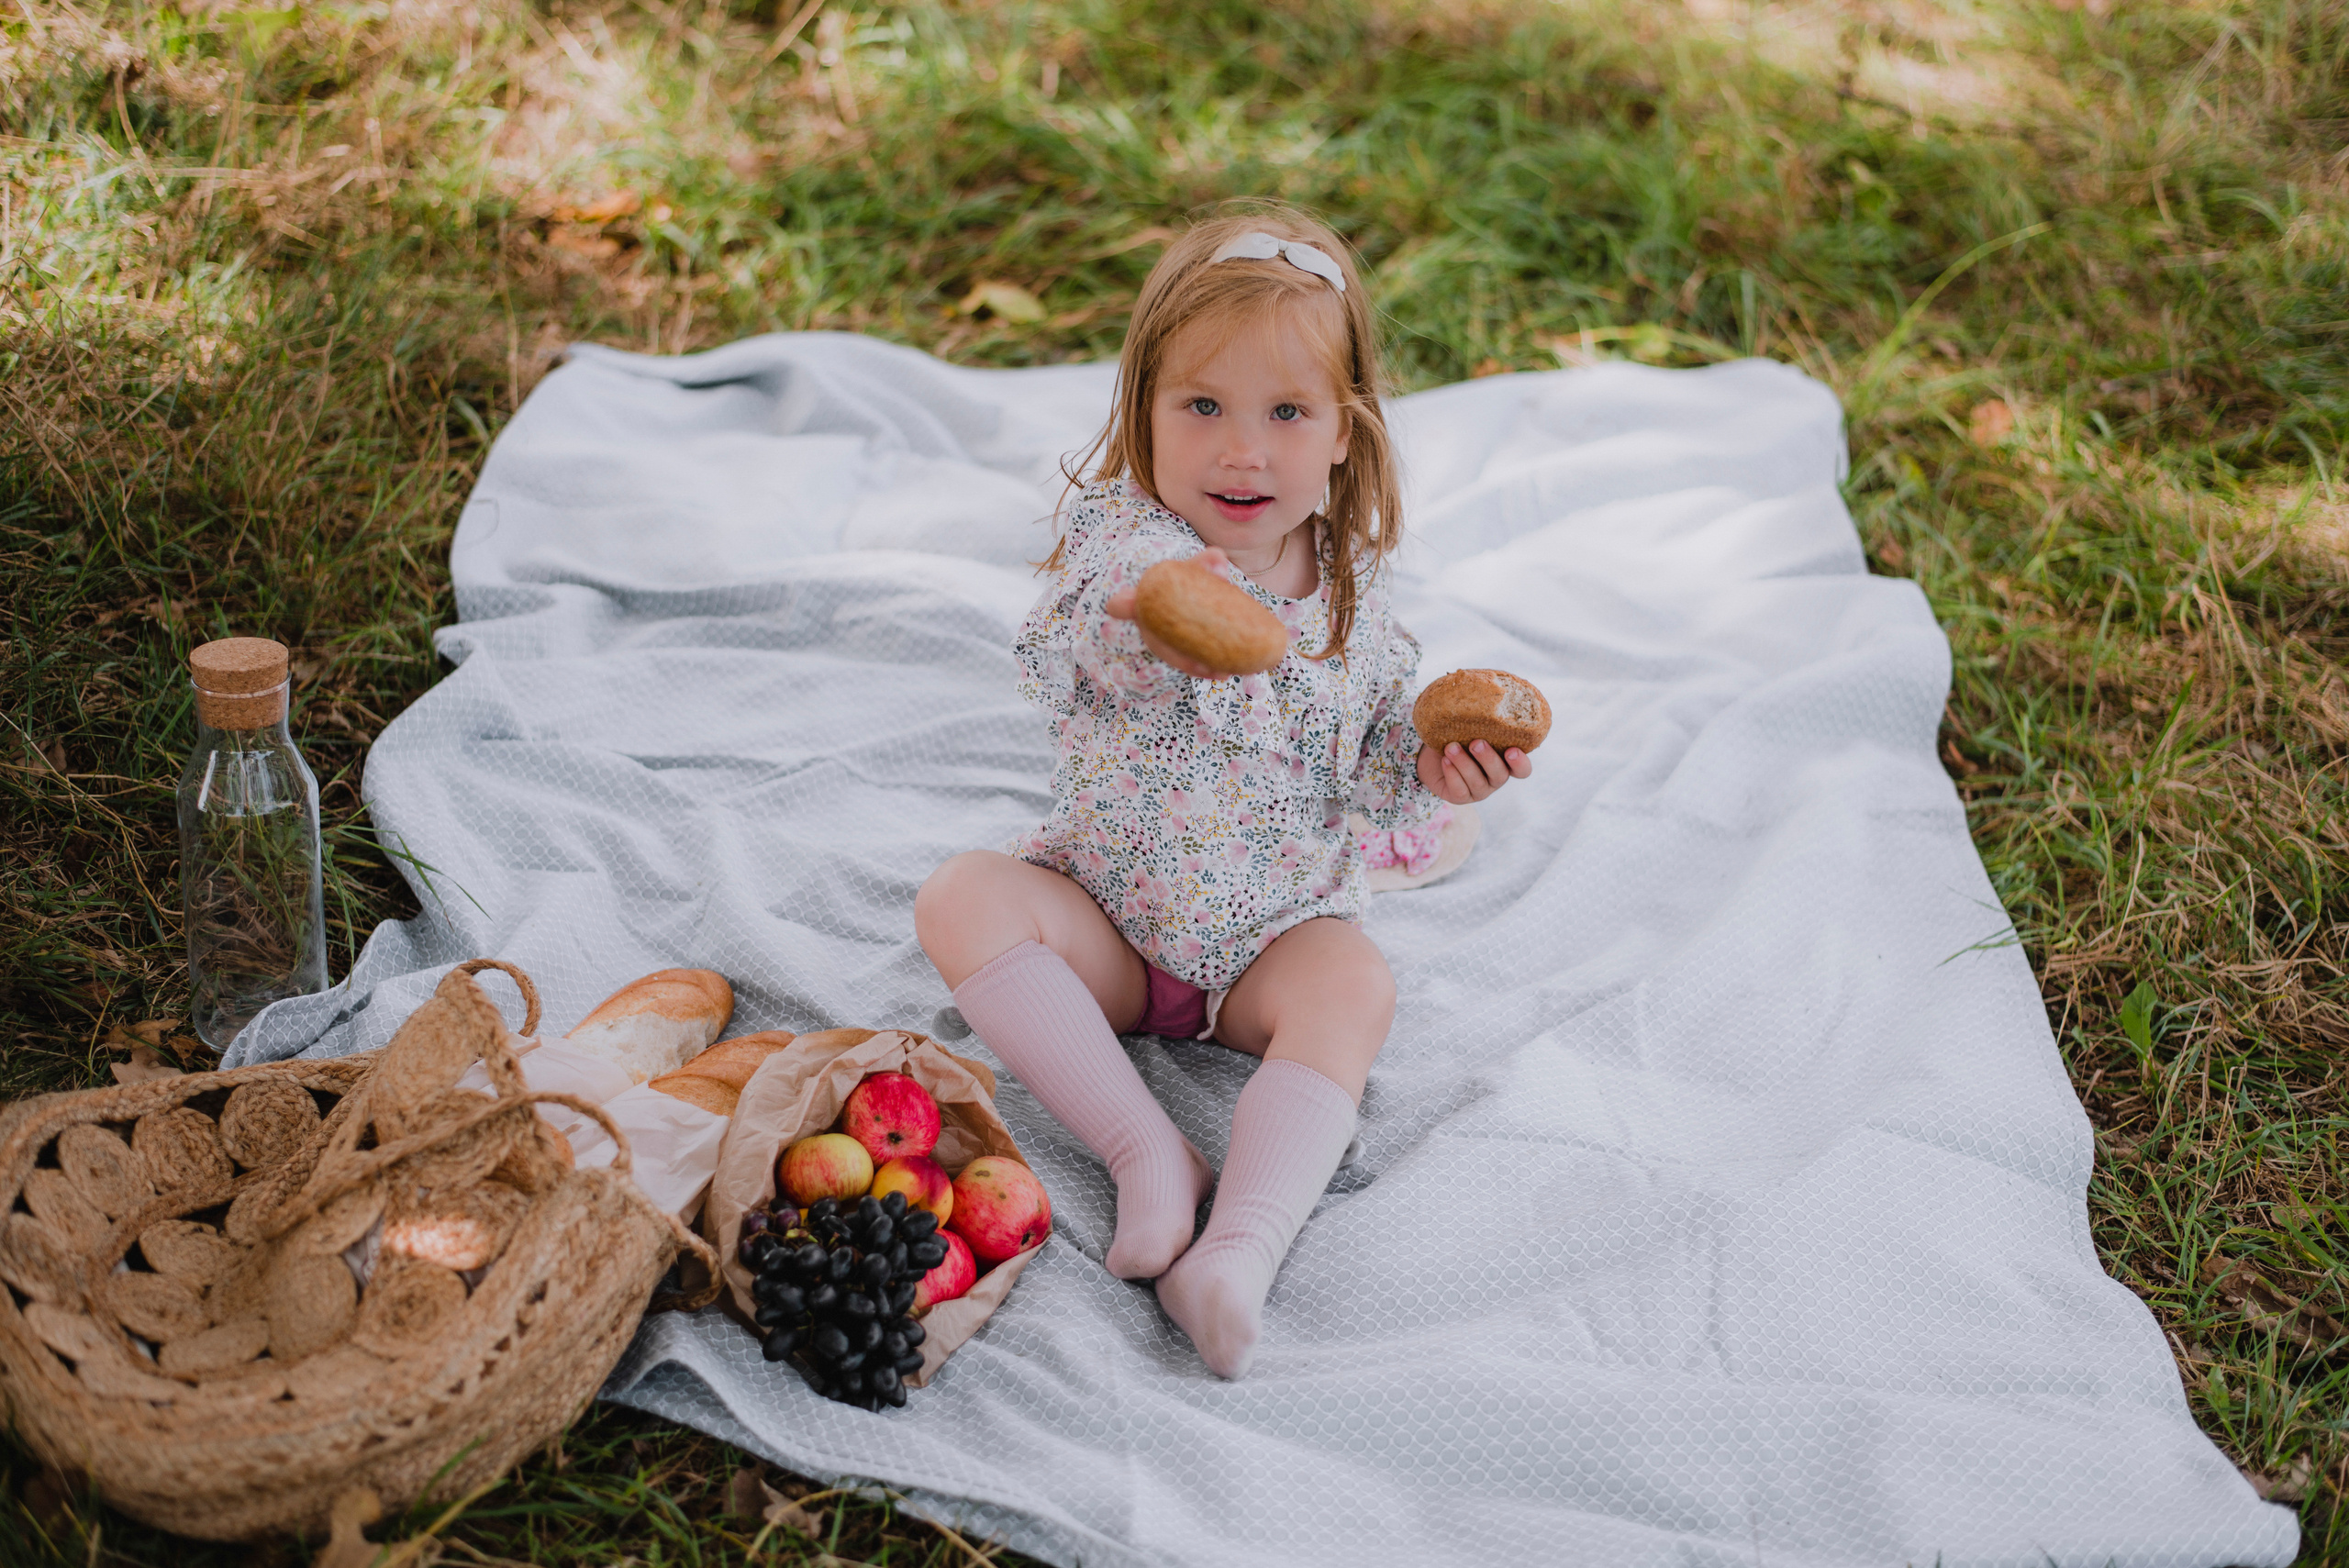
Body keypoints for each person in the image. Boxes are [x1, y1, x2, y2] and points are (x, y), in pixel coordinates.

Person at [914, 204, 1531, 1379]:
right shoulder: (1128, 546)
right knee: (960, 895)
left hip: (1265, 945)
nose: (1240, 451)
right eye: (1201, 406)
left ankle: (1237, 1249)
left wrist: (1438, 771)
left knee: (1354, 981)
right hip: (1105, 918)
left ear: (1345, 436)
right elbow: (1067, 654)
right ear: (1142, 412)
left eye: (1286, 413)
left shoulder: (1354, 598)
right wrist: (1153, 624)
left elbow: (1372, 782)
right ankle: (1145, 1148)